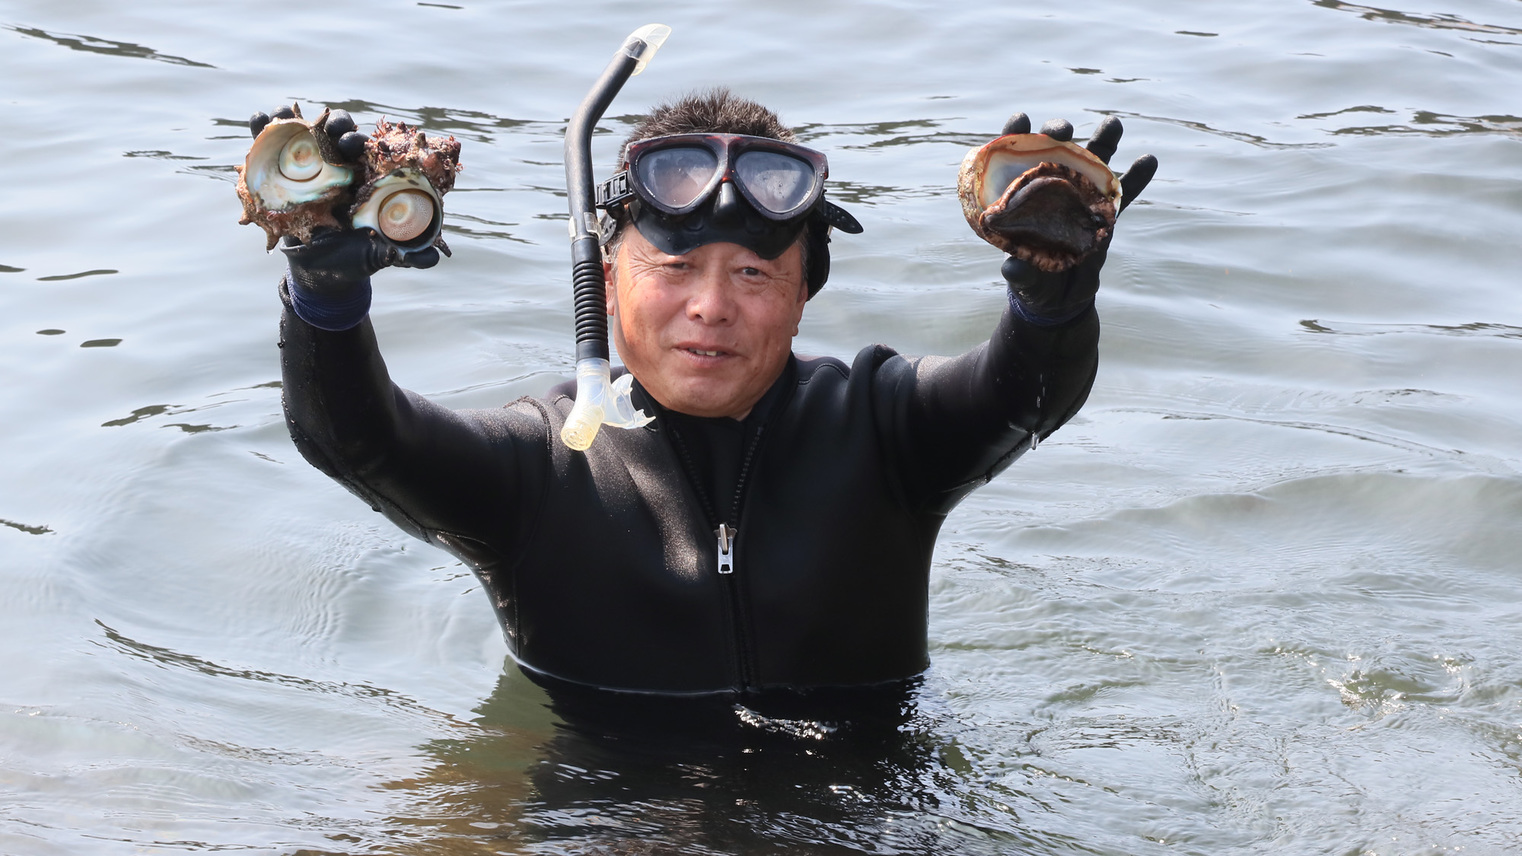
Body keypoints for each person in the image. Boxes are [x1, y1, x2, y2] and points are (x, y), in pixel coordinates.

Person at [264, 89, 1156, 699]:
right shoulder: (540, 468)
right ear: (608, 280)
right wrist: (325, 299)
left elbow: (1024, 397)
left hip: (870, 816)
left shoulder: (884, 429)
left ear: (807, 291)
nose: (711, 307)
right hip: (610, 818)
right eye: (677, 266)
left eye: (756, 273)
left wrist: (1053, 296)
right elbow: (357, 440)